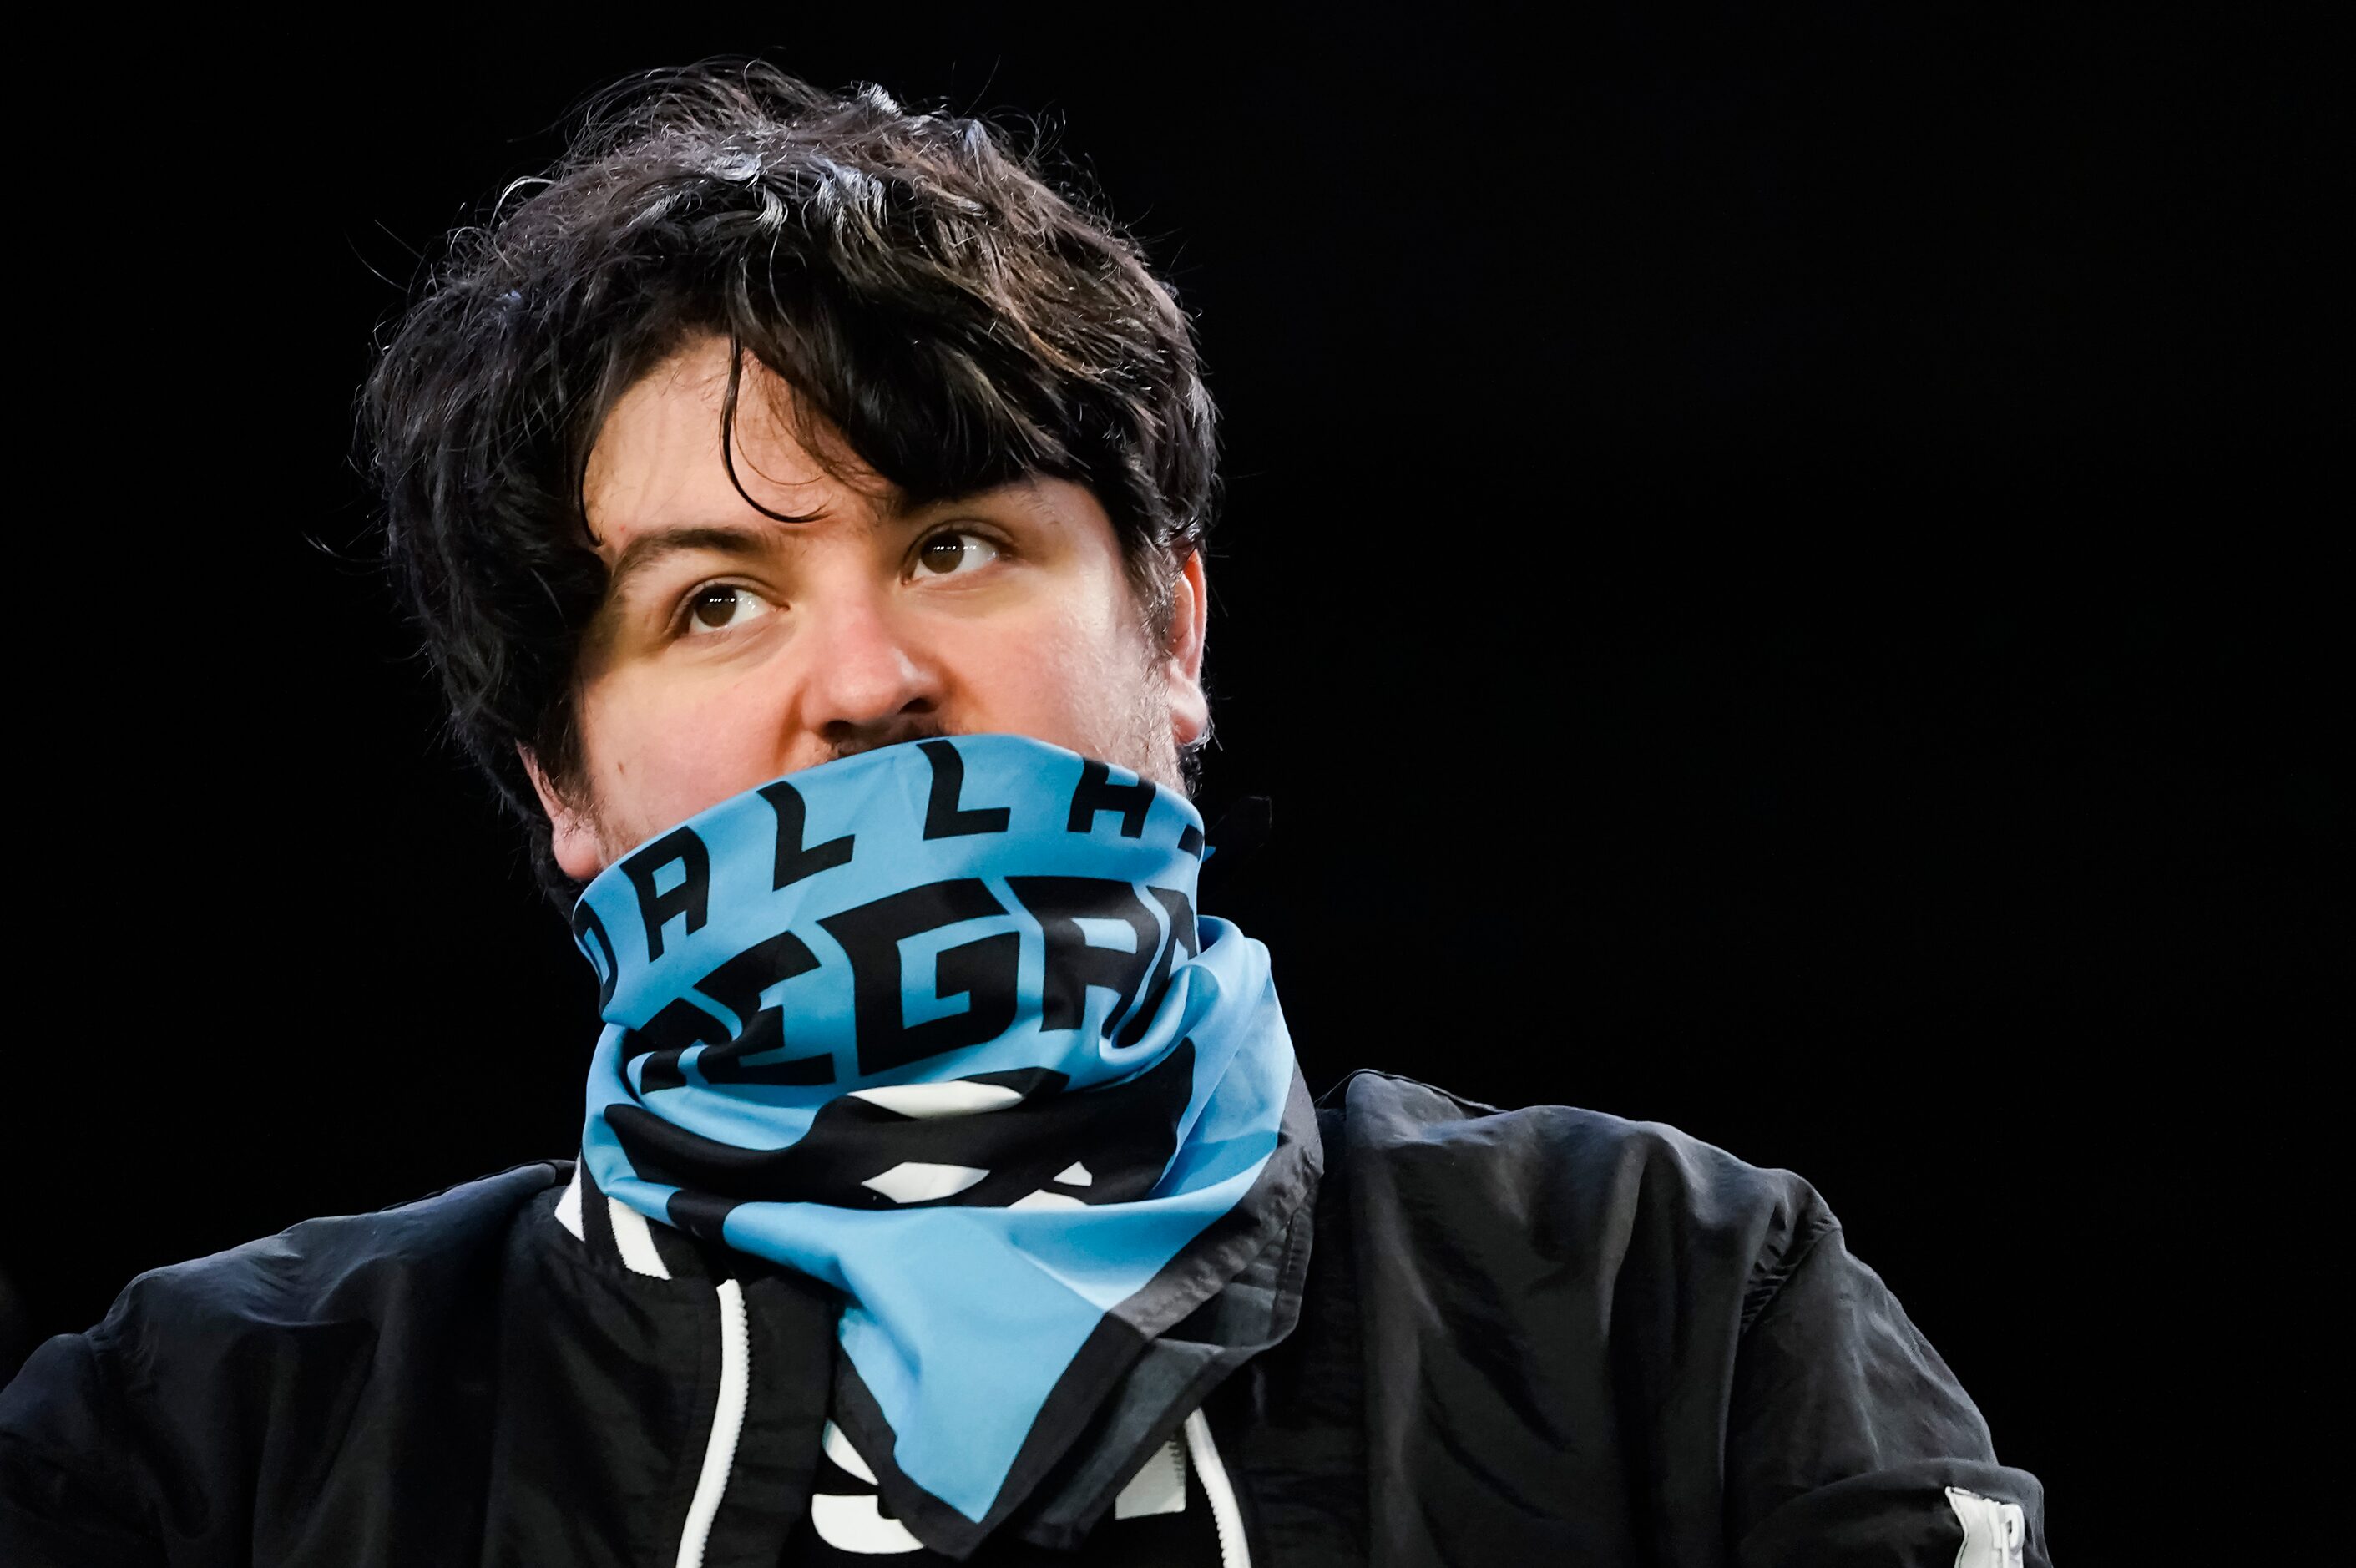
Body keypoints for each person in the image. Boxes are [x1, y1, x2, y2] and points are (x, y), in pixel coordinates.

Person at [0, 63, 2050, 1567]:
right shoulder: (201, 1442)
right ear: (564, 787)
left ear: (1171, 627)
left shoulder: (1666, 1311)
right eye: (713, 600)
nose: (868, 677)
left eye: (958, 545)